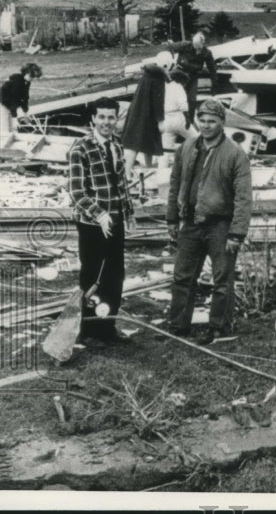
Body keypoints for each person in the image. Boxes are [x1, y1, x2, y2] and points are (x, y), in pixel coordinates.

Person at [166, 98, 253, 344]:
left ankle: (219, 328)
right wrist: (172, 218)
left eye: (212, 121)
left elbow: (244, 198)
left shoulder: (235, 155)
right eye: (202, 121)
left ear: (222, 123)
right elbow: (175, 184)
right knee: (183, 277)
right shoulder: (187, 147)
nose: (206, 126)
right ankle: (178, 325)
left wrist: (237, 233)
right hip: (191, 222)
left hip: (220, 225)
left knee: (222, 280)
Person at [68, 97, 134, 348]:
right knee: (92, 277)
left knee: (115, 276)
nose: (107, 122)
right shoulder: (80, 148)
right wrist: (99, 214)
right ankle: (90, 331)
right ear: (93, 119)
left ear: (116, 119)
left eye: (111, 117)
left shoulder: (116, 144)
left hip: (115, 221)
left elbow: (120, 184)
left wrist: (128, 212)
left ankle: (108, 328)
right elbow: (76, 192)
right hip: (92, 224)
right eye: (102, 117)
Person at [122, 52, 172, 172]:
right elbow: (158, 101)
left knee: (146, 142)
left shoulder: (148, 73)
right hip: (146, 115)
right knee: (136, 144)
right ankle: (127, 173)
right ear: (166, 65)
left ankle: (148, 169)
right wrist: (160, 121)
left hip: (139, 112)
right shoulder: (158, 78)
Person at [169, 31, 218, 127]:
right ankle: (174, 121)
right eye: (194, 46)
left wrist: (214, 85)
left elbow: (212, 68)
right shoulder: (184, 45)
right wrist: (169, 62)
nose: (196, 49)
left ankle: (189, 122)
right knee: (177, 97)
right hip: (180, 74)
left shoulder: (207, 53)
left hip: (193, 76)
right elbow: (170, 47)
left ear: (202, 44)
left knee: (191, 99)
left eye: (198, 47)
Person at [159, 68, 192, 169]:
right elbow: (182, 104)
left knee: (165, 150)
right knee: (197, 139)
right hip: (178, 117)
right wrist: (188, 118)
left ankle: (161, 172)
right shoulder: (178, 87)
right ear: (180, 80)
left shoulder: (163, 87)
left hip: (166, 119)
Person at [0, 62, 42, 134]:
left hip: (9, 105)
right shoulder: (17, 82)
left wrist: (26, 114)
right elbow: (13, 100)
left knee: (13, 130)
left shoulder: (26, 82)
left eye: (34, 77)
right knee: (4, 130)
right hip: (1, 105)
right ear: (26, 73)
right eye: (31, 76)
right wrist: (15, 117)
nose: (32, 78)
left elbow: (25, 98)